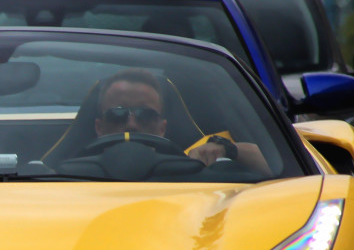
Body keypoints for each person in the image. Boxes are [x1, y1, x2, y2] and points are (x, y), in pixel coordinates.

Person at [92, 68, 270, 172]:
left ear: (162, 129)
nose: (131, 124)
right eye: (117, 113)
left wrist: (228, 149)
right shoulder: (65, 175)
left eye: (145, 115)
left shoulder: (191, 166)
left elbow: (278, 169)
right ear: (99, 128)